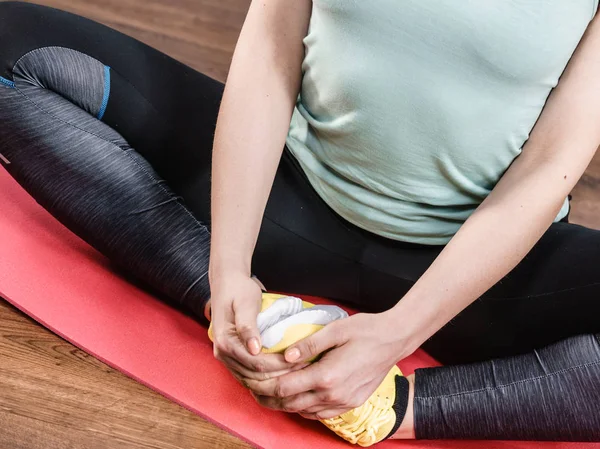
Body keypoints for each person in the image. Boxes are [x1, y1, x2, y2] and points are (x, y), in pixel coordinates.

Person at [1, 0, 600, 444]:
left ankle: (393, 404)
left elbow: (551, 165)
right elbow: (270, 51)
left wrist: (397, 336)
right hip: (287, 201)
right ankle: (240, 310)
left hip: (468, 275)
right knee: (10, 48)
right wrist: (228, 265)